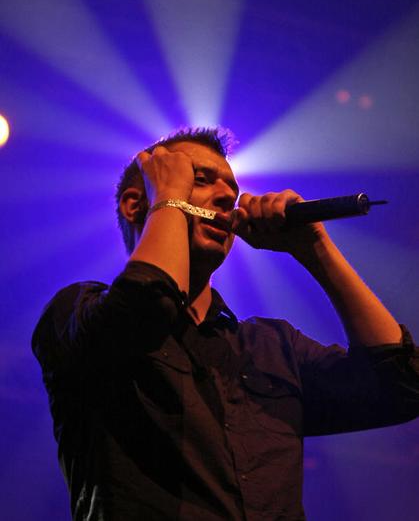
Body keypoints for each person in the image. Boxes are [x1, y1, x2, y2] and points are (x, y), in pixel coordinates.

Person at [32, 126, 419, 521]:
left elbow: (401, 388)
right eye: (198, 179)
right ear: (135, 205)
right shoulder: (75, 312)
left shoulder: (272, 346)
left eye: (231, 193)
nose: (225, 197)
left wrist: (314, 247)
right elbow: (145, 309)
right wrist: (168, 199)